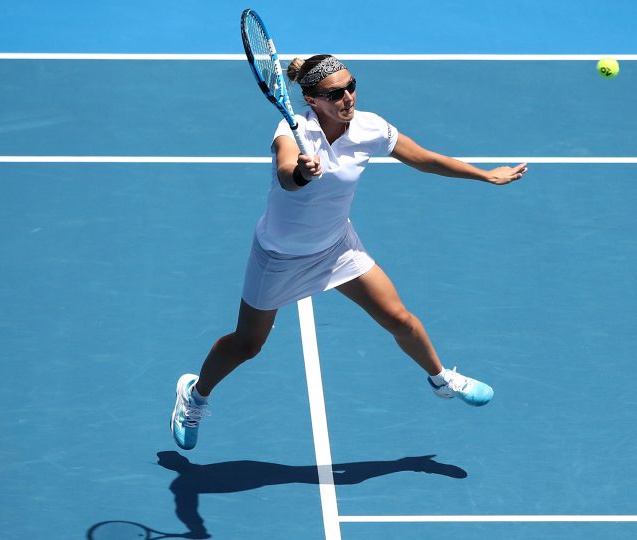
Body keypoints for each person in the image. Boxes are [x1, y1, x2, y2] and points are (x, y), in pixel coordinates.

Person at [171, 55, 528, 450]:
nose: (347, 97)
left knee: (400, 318)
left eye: (351, 86)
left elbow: (423, 158)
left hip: (336, 247)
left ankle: (442, 380)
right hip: (280, 257)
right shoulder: (291, 134)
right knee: (247, 345)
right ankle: (195, 394)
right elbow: (288, 177)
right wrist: (304, 173)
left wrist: (484, 174)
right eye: (335, 93)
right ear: (311, 100)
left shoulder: (369, 127)